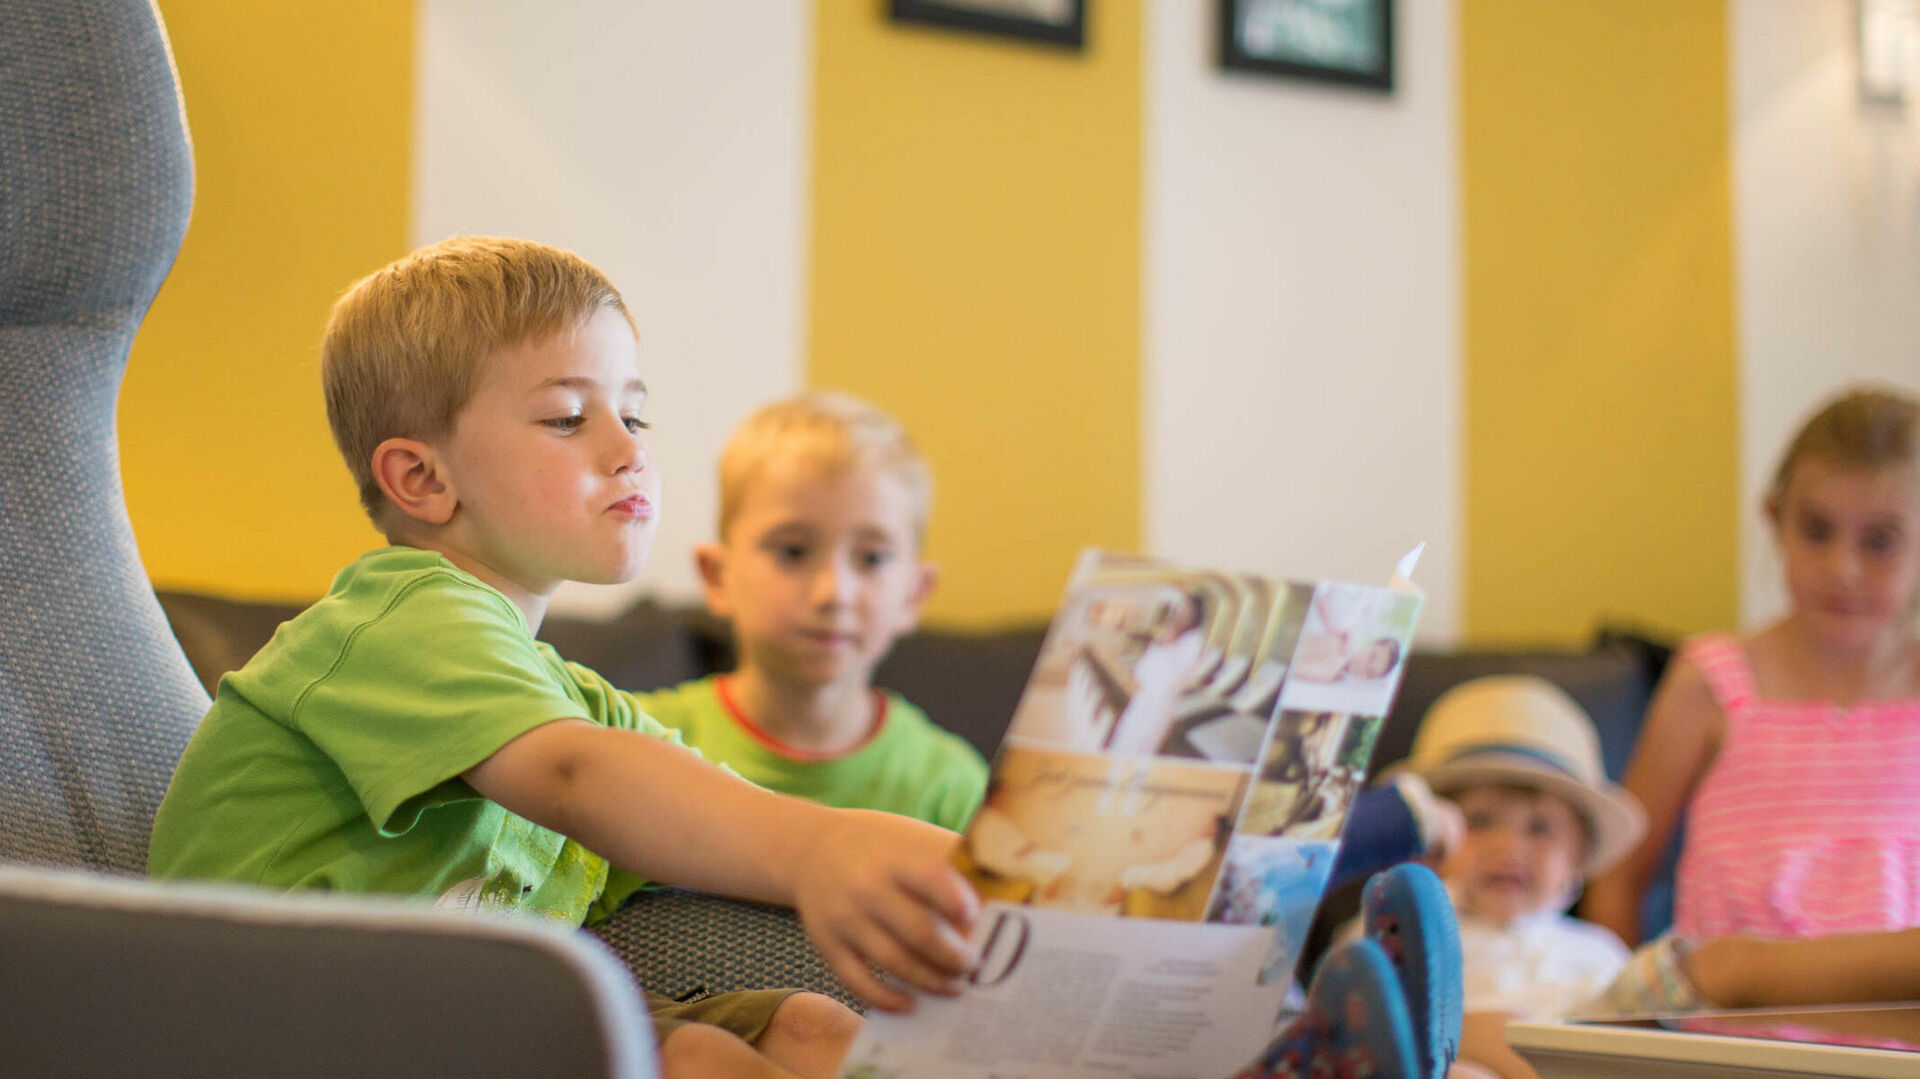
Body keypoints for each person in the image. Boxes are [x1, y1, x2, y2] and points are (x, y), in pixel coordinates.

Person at [147, 237, 979, 1079]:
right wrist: (812, 852)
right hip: (287, 1027)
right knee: (692, 1059)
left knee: (808, 1030)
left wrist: (981, 878)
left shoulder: (572, 700)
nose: (629, 449)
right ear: (423, 479)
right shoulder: (397, 620)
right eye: (568, 418)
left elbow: (717, 814)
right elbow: (577, 775)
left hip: (456, 1019)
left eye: (635, 413)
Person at [1585, 386, 1920, 949]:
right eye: (1816, 530)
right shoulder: (1710, 683)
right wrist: (1632, 1026)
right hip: (1730, 1029)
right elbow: (1617, 875)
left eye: (1880, 541)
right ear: (1775, 519)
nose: (1843, 568)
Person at [634, 392, 988, 832]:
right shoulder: (639, 744)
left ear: (914, 594)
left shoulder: (949, 788)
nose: (833, 593)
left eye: (871, 559)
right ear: (718, 576)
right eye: (793, 551)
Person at [1391, 675, 1648, 1079]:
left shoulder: (1600, 956)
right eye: (1479, 820)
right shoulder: (1401, 934)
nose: (1509, 848)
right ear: (1430, 845)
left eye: (1540, 828)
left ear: (1576, 862)